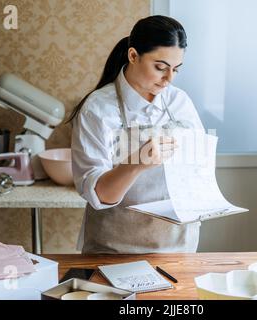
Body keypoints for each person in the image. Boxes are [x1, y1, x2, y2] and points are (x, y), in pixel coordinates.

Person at [70, 15, 205, 254]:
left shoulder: (179, 102)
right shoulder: (98, 109)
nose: (169, 79)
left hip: (178, 246)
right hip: (114, 249)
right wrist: (135, 165)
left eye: (176, 69)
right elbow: (98, 195)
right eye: (160, 67)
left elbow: (196, 168)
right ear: (133, 56)